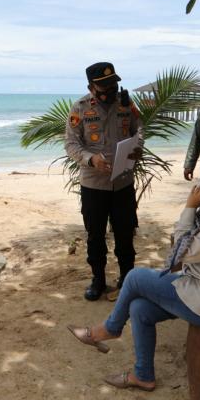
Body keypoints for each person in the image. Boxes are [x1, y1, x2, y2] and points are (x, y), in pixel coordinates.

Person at [67, 152, 200, 391]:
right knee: (139, 309)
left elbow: (183, 251)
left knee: (134, 277)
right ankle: (143, 376)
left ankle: (107, 330)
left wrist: (189, 207)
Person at [64, 62, 144, 302]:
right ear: (91, 87)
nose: (111, 89)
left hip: (122, 183)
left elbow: (138, 130)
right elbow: (71, 144)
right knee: (95, 236)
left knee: (124, 233)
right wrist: (90, 159)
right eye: (104, 86)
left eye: (113, 83)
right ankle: (98, 280)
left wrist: (138, 147)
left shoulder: (126, 104)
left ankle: (126, 280)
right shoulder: (79, 108)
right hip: (93, 186)